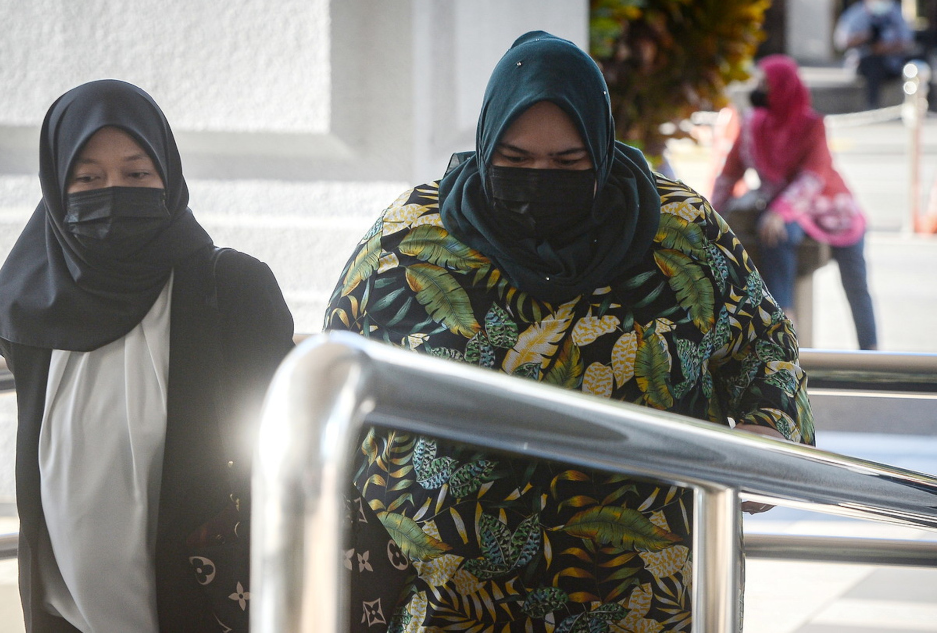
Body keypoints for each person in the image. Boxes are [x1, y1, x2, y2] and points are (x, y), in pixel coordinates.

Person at [324, 31, 814, 632]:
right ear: (486, 144)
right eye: (515, 160)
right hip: (448, 610)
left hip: (643, 606)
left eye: (567, 163)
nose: (540, 179)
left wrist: (769, 439)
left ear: (601, 151)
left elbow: (766, 351)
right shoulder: (408, 242)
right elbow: (334, 371)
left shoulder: (682, 234)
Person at [0, 80, 295, 632]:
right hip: (66, 617)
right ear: (55, 186)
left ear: (167, 176)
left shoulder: (231, 288)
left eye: (137, 174)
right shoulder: (34, 306)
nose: (113, 193)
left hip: (205, 605)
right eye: (87, 179)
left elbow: (283, 453)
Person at [711, 55, 879, 350]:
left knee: (856, 284)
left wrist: (779, 211)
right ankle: (784, 324)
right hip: (786, 213)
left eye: (766, 84)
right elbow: (729, 175)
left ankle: (872, 353)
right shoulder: (752, 127)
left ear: (784, 88)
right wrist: (710, 215)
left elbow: (813, 177)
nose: (759, 90)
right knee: (777, 235)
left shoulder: (812, 125)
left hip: (833, 210)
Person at [834, 0, 915, 109]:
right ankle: (872, 106)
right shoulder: (856, 13)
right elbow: (841, 42)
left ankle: (924, 105)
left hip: (892, 63)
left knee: (918, 61)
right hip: (864, 63)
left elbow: (907, 41)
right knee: (874, 63)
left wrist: (886, 47)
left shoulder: (896, 12)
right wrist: (865, 38)